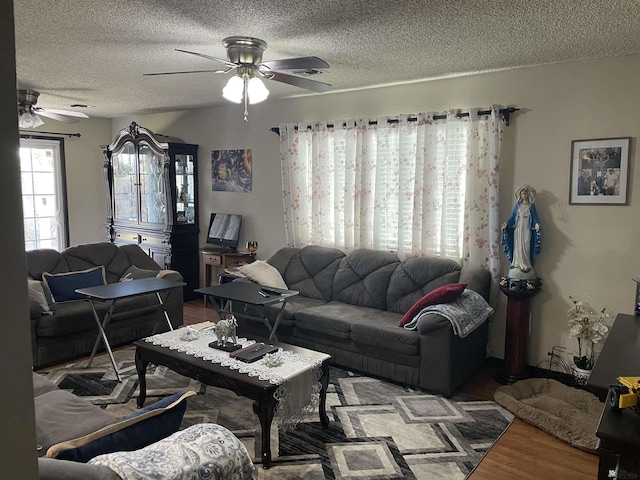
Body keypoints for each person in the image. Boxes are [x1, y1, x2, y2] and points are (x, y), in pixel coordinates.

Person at [501, 184, 541, 276]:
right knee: (518, 244)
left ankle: (526, 264)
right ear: (520, 195)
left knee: (526, 244)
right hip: (518, 227)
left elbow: (535, 217)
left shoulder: (531, 205)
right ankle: (516, 263)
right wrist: (506, 223)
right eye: (522, 194)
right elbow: (512, 216)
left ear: (528, 195)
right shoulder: (518, 205)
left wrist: (537, 224)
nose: (524, 196)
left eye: (525, 194)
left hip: (527, 227)